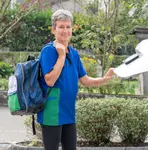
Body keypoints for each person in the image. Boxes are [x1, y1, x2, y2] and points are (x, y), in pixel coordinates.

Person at [37, 9, 116, 150]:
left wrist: (105, 78)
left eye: (68, 27)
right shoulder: (48, 50)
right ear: (53, 29)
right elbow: (49, 81)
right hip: (52, 111)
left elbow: (85, 80)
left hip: (68, 112)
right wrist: (61, 56)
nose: (65, 30)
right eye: (61, 26)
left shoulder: (73, 53)